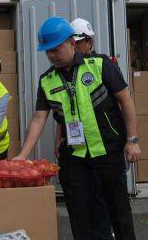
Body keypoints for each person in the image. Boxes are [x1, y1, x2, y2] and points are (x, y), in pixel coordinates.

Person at [14, 16, 139, 240]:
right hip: (74, 155)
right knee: (80, 214)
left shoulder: (100, 65)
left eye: (56, 49)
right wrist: (23, 155)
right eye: (47, 51)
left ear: (72, 43)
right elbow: (39, 119)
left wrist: (132, 140)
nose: (51, 55)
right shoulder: (46, 81)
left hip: (107, 150)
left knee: (118, 210)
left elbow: (125, 100)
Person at [53, 17, 114, 240]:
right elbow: (64, 111)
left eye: (79, 42)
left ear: (89, 42)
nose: (75, 46)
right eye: (72, 42)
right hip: (76, 148)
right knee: (80, 201)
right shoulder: (64, 72)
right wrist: (58, 139)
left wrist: (130, 139)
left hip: (101, 146)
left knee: (99, 198)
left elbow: (119, 104)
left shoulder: (101, 66)